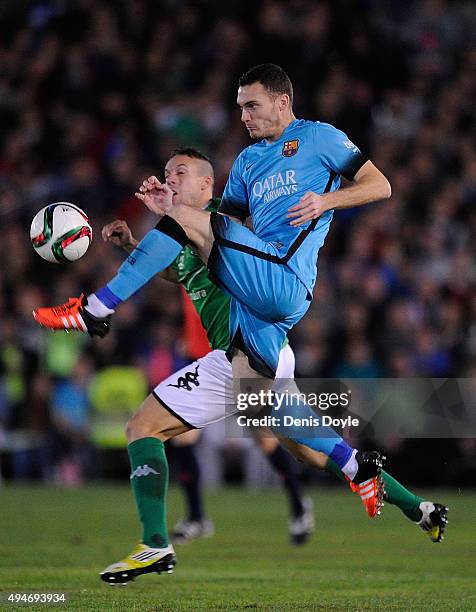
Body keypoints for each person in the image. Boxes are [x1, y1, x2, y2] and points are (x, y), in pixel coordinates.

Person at [33, 65, 448, 582]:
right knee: (176, 429)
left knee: (287, 429)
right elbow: (200, 239)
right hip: (247, 336)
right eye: (239, 106)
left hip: (284, 284)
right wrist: (148, 234)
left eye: (252, 104)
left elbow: (378, 184)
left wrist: (327, 199)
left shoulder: (318, 138)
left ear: (282, 101)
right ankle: (411, 504)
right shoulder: (248, 163)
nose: (244, 116)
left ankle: (96, 309)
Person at [104, 148, 315, 547]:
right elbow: (176, 271)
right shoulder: (176, 231)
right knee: (175, 434)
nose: (169, 180)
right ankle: (198, 516)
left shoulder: (220, 220)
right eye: (166, 173)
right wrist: (132, 243)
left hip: (245, 350)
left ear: (205, 183)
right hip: (207, 348)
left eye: (178, 173)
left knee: (267, 435)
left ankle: (299, 502)